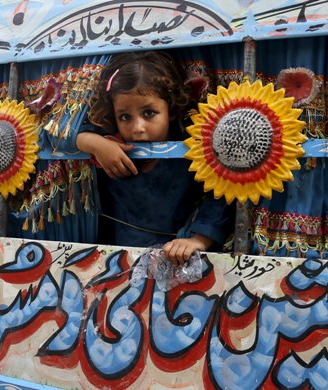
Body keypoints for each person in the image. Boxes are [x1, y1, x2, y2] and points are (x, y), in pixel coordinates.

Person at [75, 51, 233, 265]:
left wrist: (198, 239)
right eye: (125, 117)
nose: (137, 128)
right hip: (114, 262)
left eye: (149, 113)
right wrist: (93, 143)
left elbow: (222, 195)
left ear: (171, 109)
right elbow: (60, 135)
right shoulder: (109, 148)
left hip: (175, 260)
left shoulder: (191, 149)